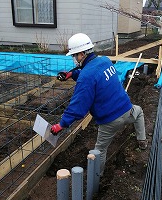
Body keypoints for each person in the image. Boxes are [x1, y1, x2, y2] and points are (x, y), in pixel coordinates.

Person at [51, 33, 147, 176]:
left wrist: (62, 125)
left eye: (74, 55)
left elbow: (78, 108)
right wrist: (72, 75)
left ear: (82, 54)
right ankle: (142, 141)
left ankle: (97, 177)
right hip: (128, 110)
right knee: (139, 112)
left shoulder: (86, 78)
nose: (74, 59)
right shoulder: (105, 61)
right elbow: (93, 75)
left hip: (110, 121)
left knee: (99, 151)